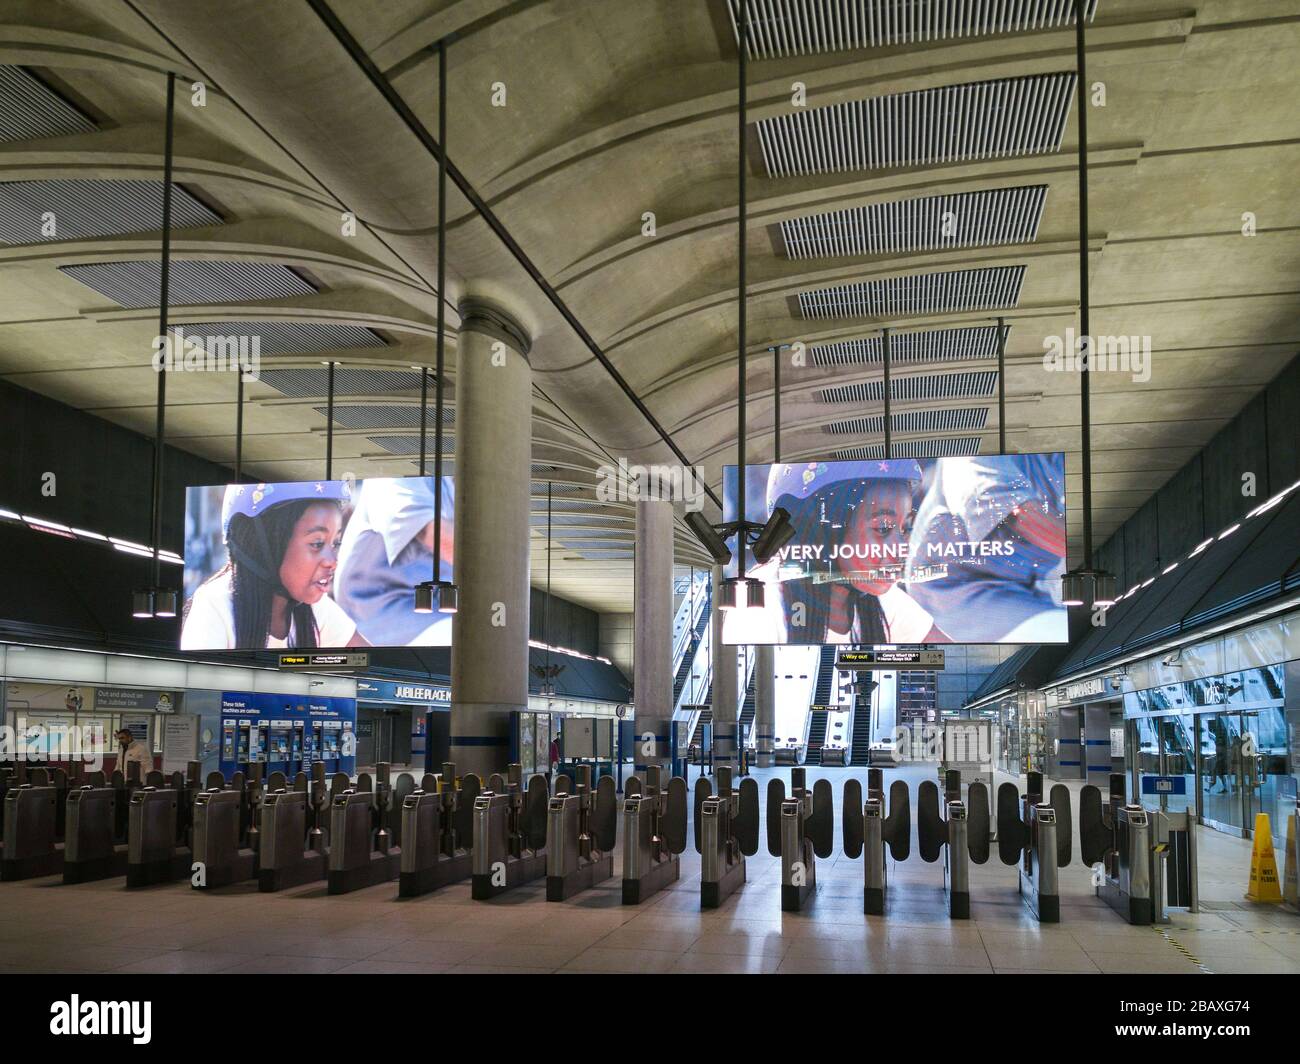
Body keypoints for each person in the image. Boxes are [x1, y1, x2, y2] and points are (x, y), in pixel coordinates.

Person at [723, 460, 949, 644]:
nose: (902, 548)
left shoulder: (882, 601)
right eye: (883, 528)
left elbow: (945, 655)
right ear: (821, 528)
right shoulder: (756, 604)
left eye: (904, 528)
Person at [181, 481, 368, 650]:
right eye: (317, 544)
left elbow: (374, 664)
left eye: (335, 543)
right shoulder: (214, 606)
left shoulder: (317, 609)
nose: (332, 561)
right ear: (268, 543)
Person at [904, 454, 1067, 643]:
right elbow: (1021, 516)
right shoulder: (969, 452)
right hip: (958, 591)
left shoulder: (1059, 456)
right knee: (1059, 631)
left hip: (1027, 585)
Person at [334, 477, 454, 646]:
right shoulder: (397, 476)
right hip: (379, 613)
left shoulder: (458, 483)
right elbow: (440, 539)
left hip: (435, 608)